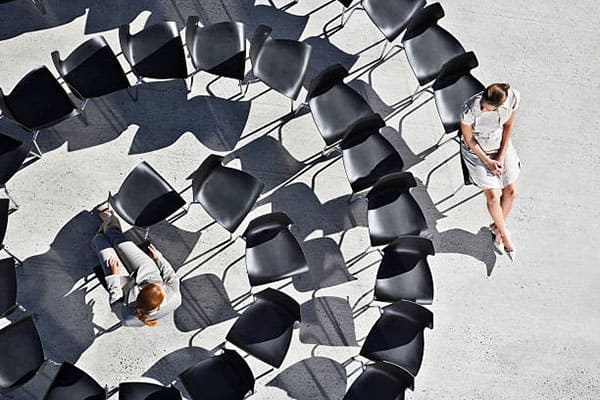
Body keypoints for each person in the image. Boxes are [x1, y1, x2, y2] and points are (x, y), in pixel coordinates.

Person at [92, 205, 181, 327]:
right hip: (147, 271)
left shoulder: (128, 318)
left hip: (123, 286)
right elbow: (171, 276)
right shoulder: (175, 296)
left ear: (139, 294)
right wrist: (158, 258)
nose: (163, 285)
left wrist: (114, 276)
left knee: (99, 240)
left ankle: (104, 229)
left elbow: (115, 303)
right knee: (115, 237)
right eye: (161, 285)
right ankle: (109, 221)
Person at [460, 83, 521, 261]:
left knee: (511, 191)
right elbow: (469, 139)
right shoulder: (470, 108)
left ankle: (497, 228)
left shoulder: (512, 99)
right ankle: (505, 238)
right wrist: (488, 161)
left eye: (487, 108)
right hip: (477, 150)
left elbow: (508, 126)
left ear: (499, 107)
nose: (483, 108)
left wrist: (501, 156)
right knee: (493, 197)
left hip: (499, 143)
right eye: (483, 104)